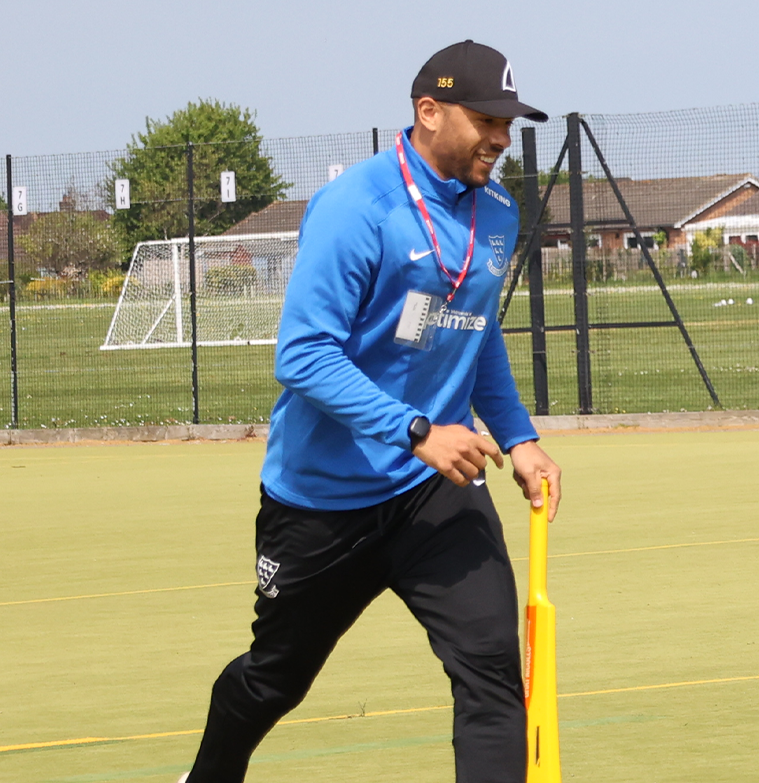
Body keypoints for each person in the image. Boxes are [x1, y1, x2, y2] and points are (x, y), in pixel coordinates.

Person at [182, 41, 559, 783]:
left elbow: (473, 332)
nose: (500, 139)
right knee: (274, 679)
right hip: (325, 500)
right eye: (487, 120)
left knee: (488, 669)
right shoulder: (357, 208)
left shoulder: (500, 213)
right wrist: (415, 430)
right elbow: (303, 357)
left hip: (437, 493)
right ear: (428, 111)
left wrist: (519, 437)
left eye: (508, 125)